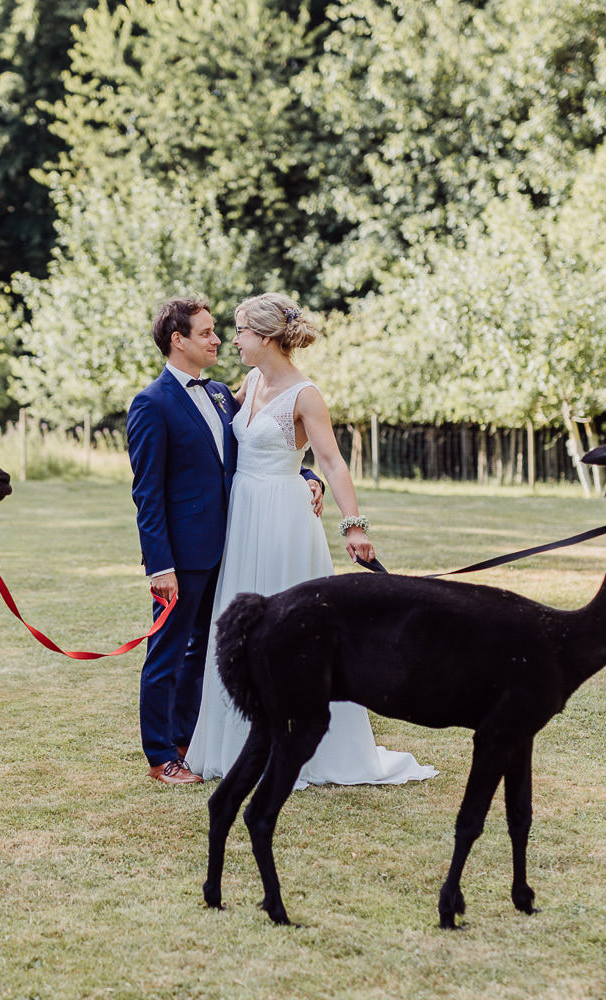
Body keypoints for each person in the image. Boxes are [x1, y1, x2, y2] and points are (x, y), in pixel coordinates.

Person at [184, 293, 437, 788]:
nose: (233, 340)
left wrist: (354, 524)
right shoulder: (251, 380)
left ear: (266, 337)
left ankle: (303, 747)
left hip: (282, 519)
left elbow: (333, 462)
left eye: (240, 332)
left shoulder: (306, 395)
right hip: (244, 514)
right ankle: (237, 742)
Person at [127, 297, 323, 786]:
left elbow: (263, 442)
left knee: (206, 649)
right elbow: (146, 492)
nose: (218, 340)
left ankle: (188, 739)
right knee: (167, 650)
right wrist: (159, 564)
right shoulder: (152, 404)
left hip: (232, 544)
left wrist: (306, 475)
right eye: (207, 332)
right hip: (182, 554)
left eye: (219, 331)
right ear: (179, 340)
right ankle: (160, 756)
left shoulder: (220, 393)